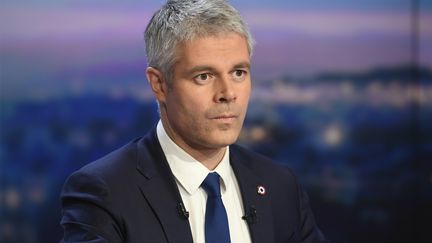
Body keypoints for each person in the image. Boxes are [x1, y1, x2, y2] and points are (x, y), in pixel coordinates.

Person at [60, 0, 328, 242]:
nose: (227, 94)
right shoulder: (103, 192)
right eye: (204, 76)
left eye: (238, 72)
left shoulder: (280, 185)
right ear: (159, 84)